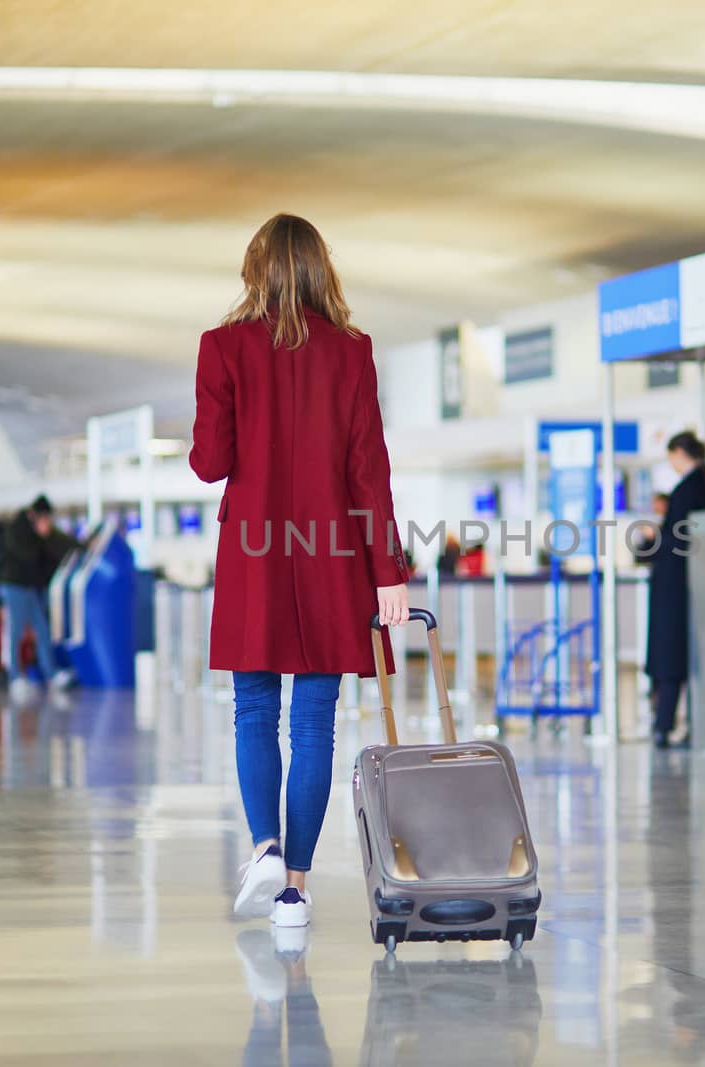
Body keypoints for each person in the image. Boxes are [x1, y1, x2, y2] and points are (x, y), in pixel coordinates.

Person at [191, 213, 409, 929]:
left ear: (255, 271)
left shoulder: (222, 347)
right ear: (322, 269)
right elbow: (367, 472)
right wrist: (391, 574)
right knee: (314, 721)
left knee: (254, 708)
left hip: (253, 550)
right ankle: (294, 890)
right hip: (331, 555)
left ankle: (263, 845)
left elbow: (209, 462)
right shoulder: (352, 352)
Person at [645, 432, 705, 750]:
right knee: (689, 654)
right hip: (702, 583)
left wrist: (653, 539)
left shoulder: (686, 490)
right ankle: (689, 722)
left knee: (670, 654)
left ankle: (664, 723)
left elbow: (675, 541)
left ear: (680, 453)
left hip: (675, 586)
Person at [0, 495, 56, 702]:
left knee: (42, 629)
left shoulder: (29, 528)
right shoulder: (19, 526)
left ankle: (50, 674)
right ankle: (14, 674)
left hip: (28, 587)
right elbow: (27, 556)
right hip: (15, 586)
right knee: (16, 630)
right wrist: (40, 536)